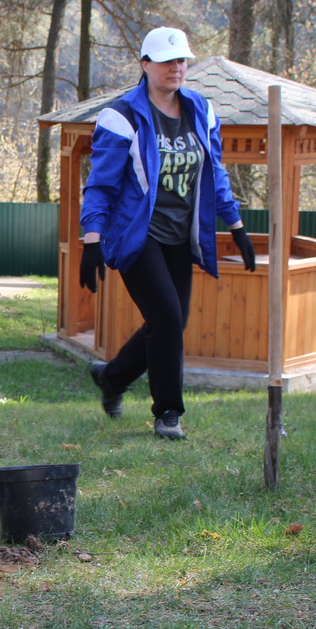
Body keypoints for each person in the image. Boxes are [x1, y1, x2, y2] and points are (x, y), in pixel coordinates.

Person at [79, 27, 256, 440]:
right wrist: (92, 241)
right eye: (166, 61)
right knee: (167, 317)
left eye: (182, 61)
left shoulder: (201, 110)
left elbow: (216, 173)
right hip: (137, 236)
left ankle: (112, 376)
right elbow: (101, 186)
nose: (176, 68)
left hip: (181, 235)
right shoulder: (121, 117)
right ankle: (168, 414)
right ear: (145, 65)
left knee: (168, 323)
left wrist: (237, 226)